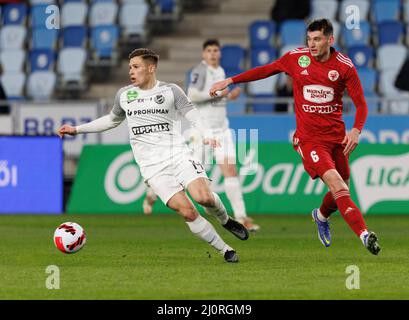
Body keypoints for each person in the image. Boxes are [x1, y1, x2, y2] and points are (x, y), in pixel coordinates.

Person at [58, 48, 249, 263]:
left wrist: (207, 134)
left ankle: (225, 220)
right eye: (130, 67)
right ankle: (225, 250)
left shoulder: (171, 91)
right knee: (187, 212)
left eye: (136, 67)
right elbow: (111, 120)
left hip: (178, 155)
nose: (131, 71)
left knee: (203, 197)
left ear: (151, 68)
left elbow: (192, 114)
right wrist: (77, 129)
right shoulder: (125, 95)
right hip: (152, 167)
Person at [210, 19, 381, 255]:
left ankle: (320, 216)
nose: (311, 44)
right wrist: (230, 80)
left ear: (330, 40)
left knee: (341, 191)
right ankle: (364, 235)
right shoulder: (296, 58)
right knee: (337, 184)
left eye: (317, 39)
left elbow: (361, 105)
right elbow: (266, 70)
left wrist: (356, 130)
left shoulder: (344, 66)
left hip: (336, 139)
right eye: (309, 39)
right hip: (309, 139)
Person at [143, 39, 260, 232]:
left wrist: (229, 96)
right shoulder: (200, 70)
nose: (213, 54)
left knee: (231, 171)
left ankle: (241, 218)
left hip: (222, 130)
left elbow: (216, 100)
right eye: (209, 51)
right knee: (186, 175)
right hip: (202, 132)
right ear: (203, 54)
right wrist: (220, 94)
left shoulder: (220, 71)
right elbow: (193, 95)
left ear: (220, 53)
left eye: (216, 50)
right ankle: (152, 193)